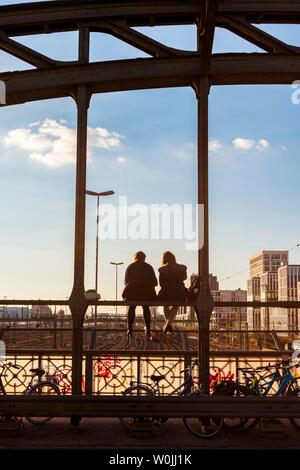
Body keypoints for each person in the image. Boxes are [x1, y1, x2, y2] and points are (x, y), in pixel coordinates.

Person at [122, 251, 157, 339]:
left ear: (135, 257)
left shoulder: (131, 267)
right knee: (146, 308)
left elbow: (126, 282)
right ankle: (148, 330)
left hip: (132, 295)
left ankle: (129, 329)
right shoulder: (149, 267)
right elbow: (155, 282)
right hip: (147, 295)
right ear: (144, 258)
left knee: (132, 307)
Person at [158, 251, 187, 334]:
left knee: (165, 306)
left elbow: (161, 283)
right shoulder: (182, 268)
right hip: (179, 292)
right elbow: (184, 278)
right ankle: (168, 325)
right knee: (176, 305)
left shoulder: (162, 270)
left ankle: (168, 324)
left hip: (166, 293)